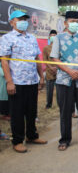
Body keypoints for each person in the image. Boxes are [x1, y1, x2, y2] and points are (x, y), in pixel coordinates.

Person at [0, 10, 47, 153]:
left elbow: (37, 59)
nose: (23, 21)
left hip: (32, 81)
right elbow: (4, 61)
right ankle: (18, 141)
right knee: (17, 114)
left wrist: (41, 77)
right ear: (12, 22)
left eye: (25, 19)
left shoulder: (32, 38)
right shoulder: (7, 38)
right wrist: (9, 81)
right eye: (20, 19)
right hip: (17, 82)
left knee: (32, 111)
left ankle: (32, 136)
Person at [50, 11, 78, 151]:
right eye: (71, 21)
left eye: (76, 21)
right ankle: (64, 139)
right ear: (65, 23)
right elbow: (54, 58)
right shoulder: (58, 38)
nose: (74, 24)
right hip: (64, 80)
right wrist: (69, 71)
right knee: (65, 111)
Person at [43, 30, 57, 109]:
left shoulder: (59, 47)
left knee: (60, 90)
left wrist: (57, 68)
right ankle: (49, 104)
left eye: (55, 35)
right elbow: (45, 59)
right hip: (49, 71)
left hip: (59, 70)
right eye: (52, 35)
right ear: (49, 37)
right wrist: (51, 67)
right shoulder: (46, 48)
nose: (53, 37)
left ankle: (60, 104)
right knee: (49, 90)